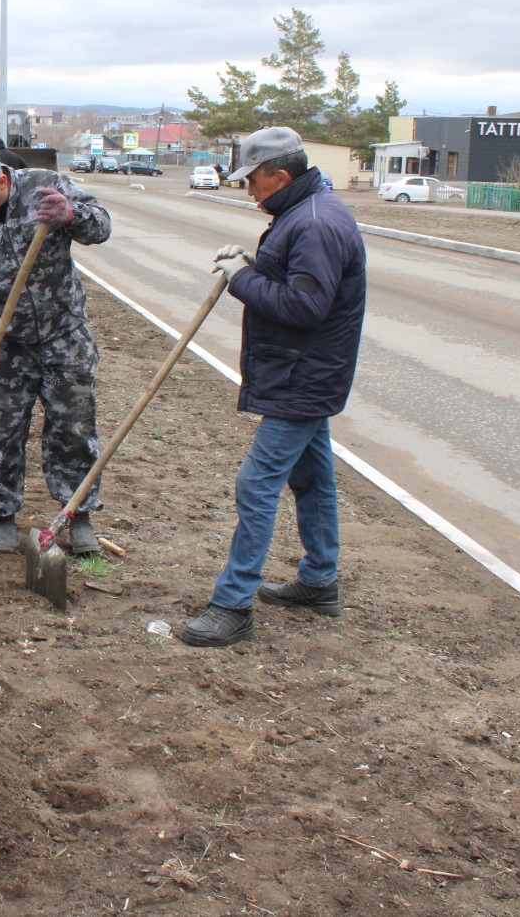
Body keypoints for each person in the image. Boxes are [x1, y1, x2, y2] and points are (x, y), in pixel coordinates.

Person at [178, 127, 367, 648]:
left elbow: (305, 307)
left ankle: (233, 604)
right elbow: (299, 286)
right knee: (313, 479)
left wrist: (242, 277)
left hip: (304, 377)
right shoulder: (304, 214)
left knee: (256, 483)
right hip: (303, 372)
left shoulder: (314, 224)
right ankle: (318, 581)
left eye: (253, 182)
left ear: (280, 176)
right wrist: (259, 267)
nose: (249, 191)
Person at [0, 147, 112, 553]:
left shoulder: (45, 189)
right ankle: (2, 513)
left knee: (74, 427)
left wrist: (71, 215)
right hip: (4, 344)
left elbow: (101, 227)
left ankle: (77, 514)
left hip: (63, 333)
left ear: (1, 180)